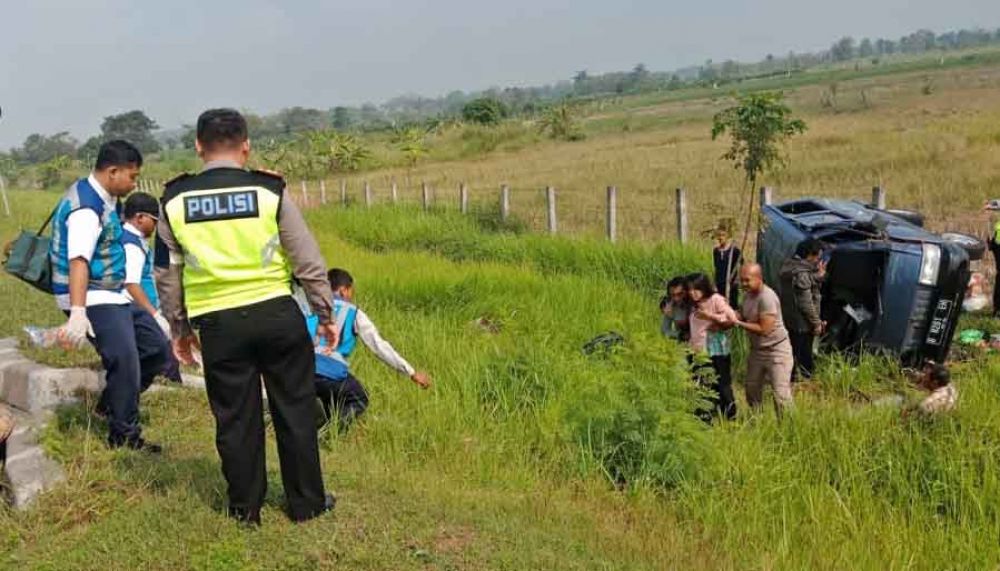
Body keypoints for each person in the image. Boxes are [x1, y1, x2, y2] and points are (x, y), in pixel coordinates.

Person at [156, 108, 337, 526]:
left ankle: (245, 511)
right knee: (294, 409)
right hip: (277, 313)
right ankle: (307, 505)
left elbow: (166, 274)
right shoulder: (269, 190)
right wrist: (325, 312)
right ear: (246, 145)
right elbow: (306, 258)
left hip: (219, 325)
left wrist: (178, 328)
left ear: (199, 146)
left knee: (235, 417)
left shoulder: (174, 200)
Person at [50, 140, 170, 452]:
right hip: (92, 296)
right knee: (126, 360)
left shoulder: (105, 199)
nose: (134, 184)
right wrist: (78, 312)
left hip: (113, 293)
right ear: (112, 171)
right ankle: (124, 437)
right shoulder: (87, 208)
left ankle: (109, 405)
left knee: (156, 348)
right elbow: (79, 260)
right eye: (132, 176)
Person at [305, 268, 431, 432]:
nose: (352, 296)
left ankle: (322, 427)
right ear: (344, 290)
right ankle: (327, 436)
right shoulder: (353, 312)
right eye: (351, 291)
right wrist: (411, 372)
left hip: (301, 369)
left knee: (334, 399)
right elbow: (379, 346)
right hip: (330, 371)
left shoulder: (310, 306)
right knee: (359, 399)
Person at [121, 192, 182, 383]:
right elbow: (131, 284)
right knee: (162, 352)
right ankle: (170, 388)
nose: (155, 227)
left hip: (141, 308)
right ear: (140, 217)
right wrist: (154, 314)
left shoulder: (130, 239)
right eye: (154, 221)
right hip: (138, 309)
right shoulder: (131, 245)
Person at [734, 264, 794, 414]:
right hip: (757, 351)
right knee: (751, 389)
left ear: (759, 278)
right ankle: (757, 422)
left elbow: (764, 329)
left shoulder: (767, 298)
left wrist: (739, 323)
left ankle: (789, 428)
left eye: (747, 280)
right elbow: (741, 313)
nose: (743, 284)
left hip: (776, 350)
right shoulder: (748, 295)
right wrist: (727, 315)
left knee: (781, 395)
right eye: (741, 280)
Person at [686, 273, 738, 420]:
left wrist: (710, 317)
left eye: (696, 289)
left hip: (716, 351)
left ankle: (730, 416)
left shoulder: (715, 300)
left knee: (722, 384)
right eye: (690, 289)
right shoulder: (693, 305)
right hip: (698, 351)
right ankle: (705, 416)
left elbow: (732, 317)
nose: (692, 293)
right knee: (702, 385)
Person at [779, 238, 826, 381]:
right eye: (818, 256)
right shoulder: (801, 273)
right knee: (803, 356)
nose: (819, 260)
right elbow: (806, 303)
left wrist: (818, 276)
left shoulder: (790, 266)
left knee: (791, 352)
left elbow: (804, 281)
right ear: (810, 255)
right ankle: (802, 383)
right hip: (802, 323)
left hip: (789, 318)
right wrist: (817, 323)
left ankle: (791, 380)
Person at [712, 228, 742, 309]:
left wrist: (737, 279)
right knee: (720, 303)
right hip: (719, 281)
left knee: (732, 304)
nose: (720, 238)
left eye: (723, 235)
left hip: (731, 282)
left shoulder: (734, 251)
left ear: (728, 237)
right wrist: (714, 282)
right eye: (719, 236)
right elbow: (716, 267)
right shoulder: (716, 251)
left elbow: (740, 265)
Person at [660, 276, 690, 342]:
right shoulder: (670, 306)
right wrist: (680, 335)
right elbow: (665, 330)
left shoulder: (696, 304)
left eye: (680, 294)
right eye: (673, 295)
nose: (676, 299)